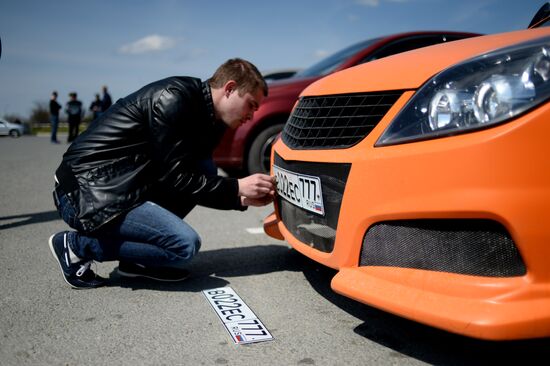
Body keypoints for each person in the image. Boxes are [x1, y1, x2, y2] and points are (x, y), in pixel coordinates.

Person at [48, 58, 275, 289]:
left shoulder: (212, 120)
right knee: (183, 246)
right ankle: (76, 246)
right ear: (229, 88)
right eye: (251, 105)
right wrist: (236, 187)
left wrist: (240, 198)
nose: (252, 115)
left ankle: (135, 263)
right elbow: (176, 178)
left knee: (205, 167)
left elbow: (189, 181)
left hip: (123, 186)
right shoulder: (174, 98)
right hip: (83, 191)